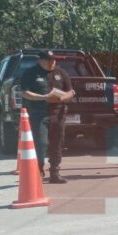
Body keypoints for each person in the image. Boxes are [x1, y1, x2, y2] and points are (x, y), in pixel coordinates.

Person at [19, 50, 75, 184]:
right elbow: (25, 93)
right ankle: (38, 169)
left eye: (54, 60)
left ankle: (55, 172)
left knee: (57, 143)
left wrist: (62, 97)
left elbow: (71, 91)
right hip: (38, 114)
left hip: (58, 113)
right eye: (48, 60)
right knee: (41, 143)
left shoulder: (61, 73)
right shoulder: (30, 73)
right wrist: (44, 97)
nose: (52, 63)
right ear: (40, 60)